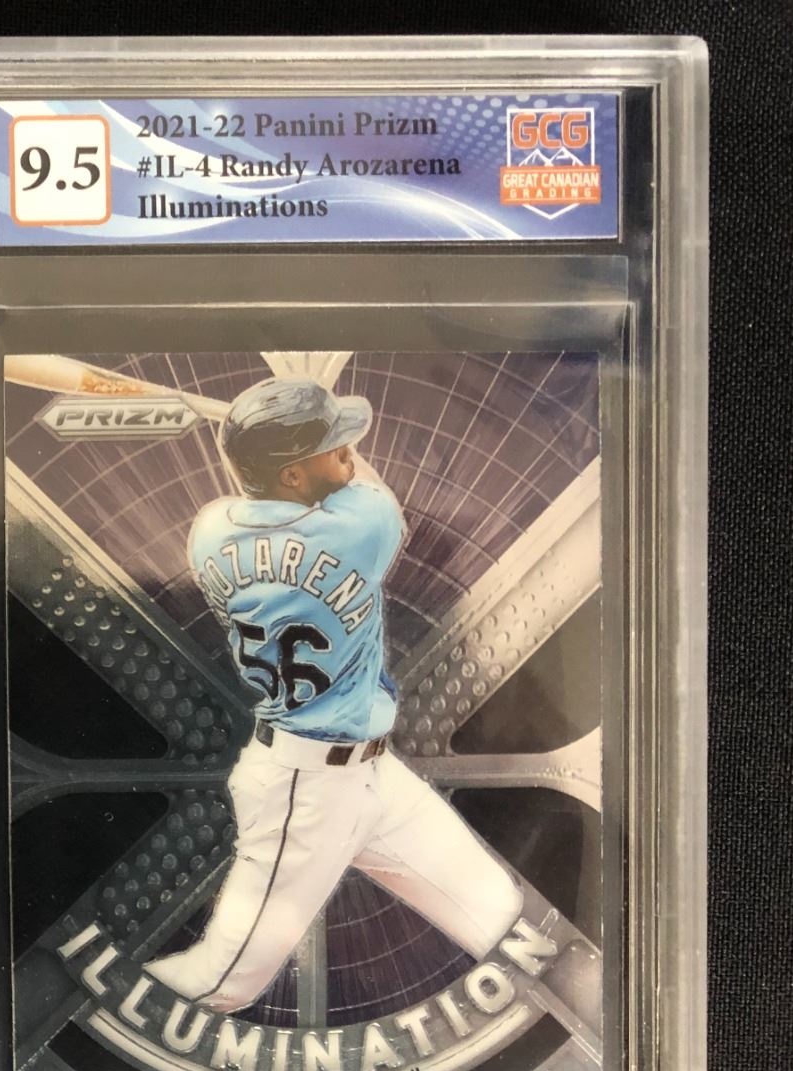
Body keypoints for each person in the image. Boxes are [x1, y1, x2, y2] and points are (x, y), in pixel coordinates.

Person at [142, 377, 522, 1013]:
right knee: (219, 984)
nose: (349, 452)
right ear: (292, 475)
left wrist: (261, 449)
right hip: (303, 790)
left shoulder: (209, 532)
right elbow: (370, 495)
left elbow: (271, 506)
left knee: (500, 913)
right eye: (335, 446)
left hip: (376, 777)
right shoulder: (361, 527)